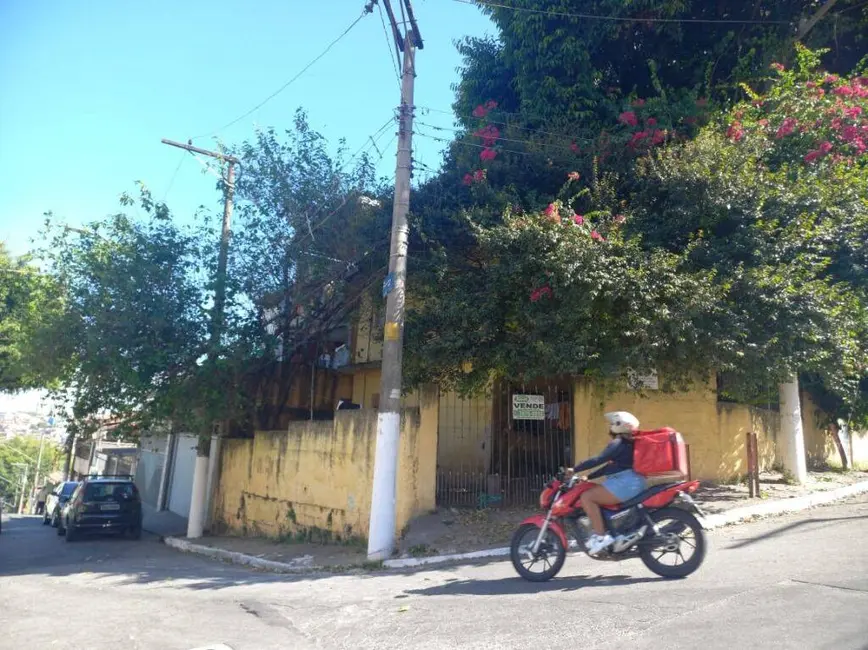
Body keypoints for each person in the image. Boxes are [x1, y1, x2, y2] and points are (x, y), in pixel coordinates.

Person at [569, 411, 647, 554]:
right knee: (595, 493)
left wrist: (574, 469)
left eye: (612, 424)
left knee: (587, 497)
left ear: (619, 425)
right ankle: (612, 532)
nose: (610, 427)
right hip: (632, 481)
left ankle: (600, 537)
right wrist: (589, 477)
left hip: (625, 483)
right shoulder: (628, 444)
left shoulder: (618, 442)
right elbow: (609, 466)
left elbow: (600, 459)